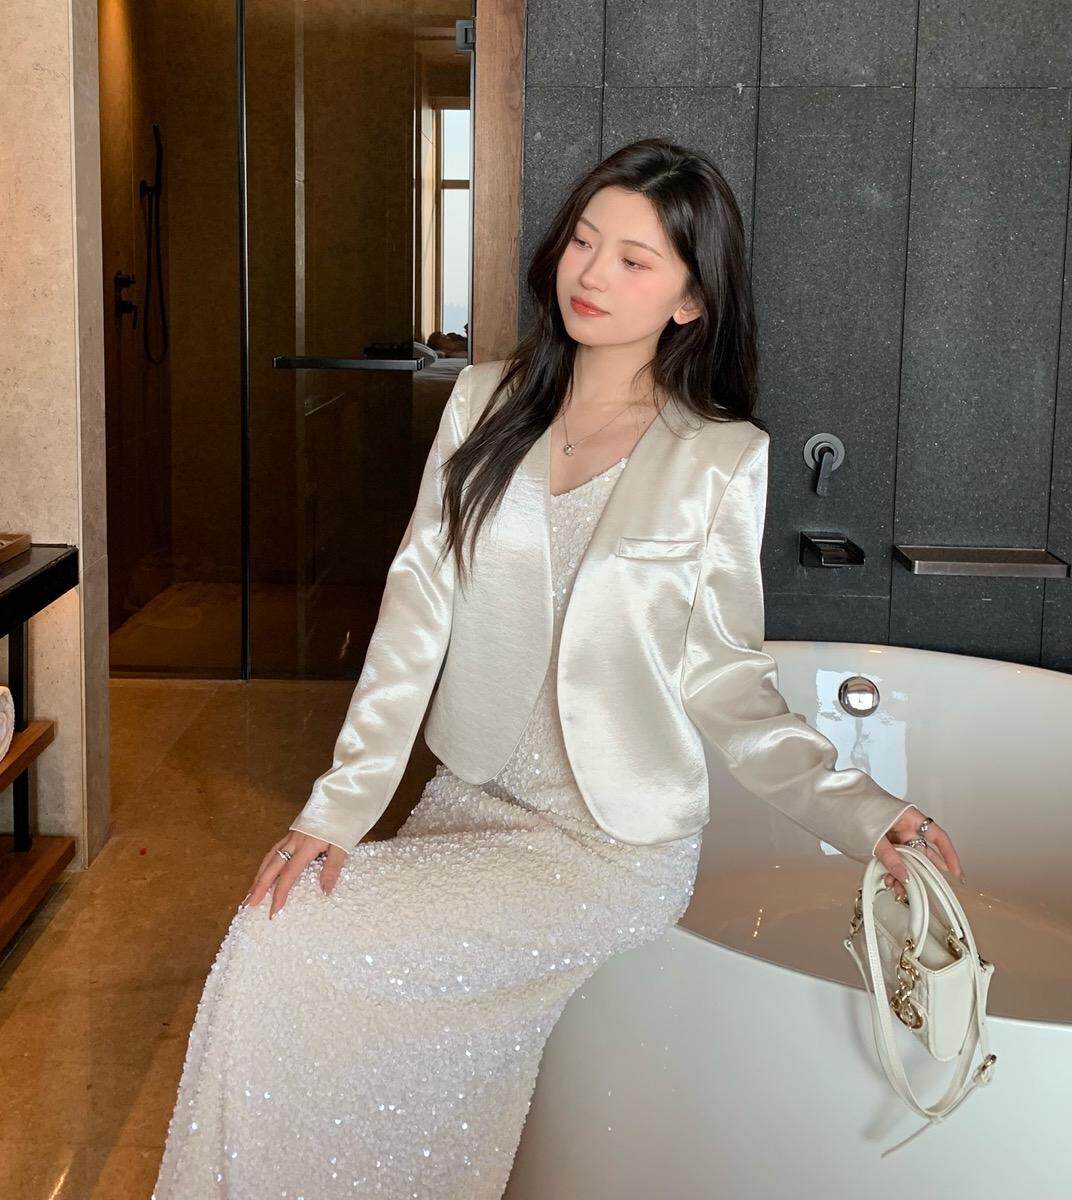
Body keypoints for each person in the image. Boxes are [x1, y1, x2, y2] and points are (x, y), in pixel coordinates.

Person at [151, 138, 964, 1199]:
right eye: (585, 241)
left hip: (607, 845)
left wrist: (859, 809)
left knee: (288, 948)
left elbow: (726, 679)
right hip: (468, 795)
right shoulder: (483, 401)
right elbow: (416, 612)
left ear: (690, 300)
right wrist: (339, 806)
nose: (592, 273)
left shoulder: (720, 456)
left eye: (635, 260)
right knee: (290, 940)